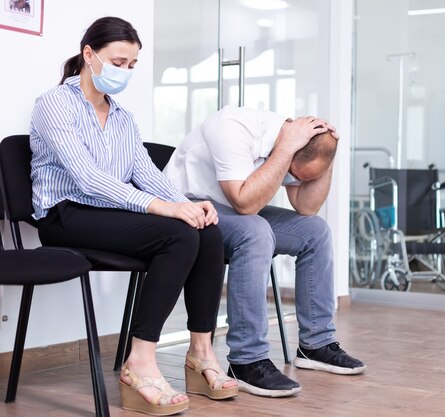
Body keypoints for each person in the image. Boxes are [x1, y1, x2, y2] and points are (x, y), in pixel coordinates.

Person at [30, 17, 237, 415]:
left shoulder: (122, 118)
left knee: (206, 231)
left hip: (107, 216)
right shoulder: (54, 104)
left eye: (132, 65)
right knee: (179, 236)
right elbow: (87, 177)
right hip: (65, 216)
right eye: (118, 61)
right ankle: (139, 363)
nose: (125, 71)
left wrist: (187, 205)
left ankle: (200, 352)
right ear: (89, 55)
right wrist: (165, 209)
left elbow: (145, 174)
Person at [164, 105, 367, 397]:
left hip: (232, 210)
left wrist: (329, 157)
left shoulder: (296, 146)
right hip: (189, 205)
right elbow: (245, 204)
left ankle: (316, 345)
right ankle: (247, 361)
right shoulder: (232, 126)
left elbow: (306, 207)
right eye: (296, 174)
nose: (294, 179)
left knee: (316, 231)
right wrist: (284, 151)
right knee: (255, 231)